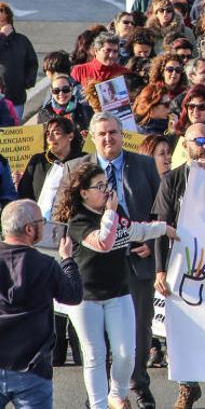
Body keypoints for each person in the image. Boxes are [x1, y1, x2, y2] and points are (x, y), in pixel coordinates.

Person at [62, 112, 162, 409]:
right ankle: (99, 398)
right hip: (91, 269)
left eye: (113, 132)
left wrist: (150, 243)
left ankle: (139, 389)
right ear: (93, 137)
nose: (108, 138)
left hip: (135, 260)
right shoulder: (75, 168)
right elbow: (62, 217)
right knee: (94, 345)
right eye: (102, 133)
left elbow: (158, 212)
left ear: (122, 134)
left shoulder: (144, 164)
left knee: (135, 338)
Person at [152, 123, 205, 409]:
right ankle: (187, 386)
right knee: (182, 330)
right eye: (199, 140)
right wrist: (160, 270)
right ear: (185, 146)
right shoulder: (173, 180)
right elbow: (162, 226)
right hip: (182, 266)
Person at [0, 199, 82, 408]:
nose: (45, 225)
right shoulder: (46, 265)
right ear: (29, 229)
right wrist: (67, 260)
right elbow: (73, 295)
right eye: (41, 221)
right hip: (33, 368)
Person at [0, 3, 38, 119]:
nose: (3, 25)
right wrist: (2, 38)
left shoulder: (22, 40)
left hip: (16, 96)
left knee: (13, 132)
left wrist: (26, 82)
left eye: (4, 21)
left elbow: (32, 63)